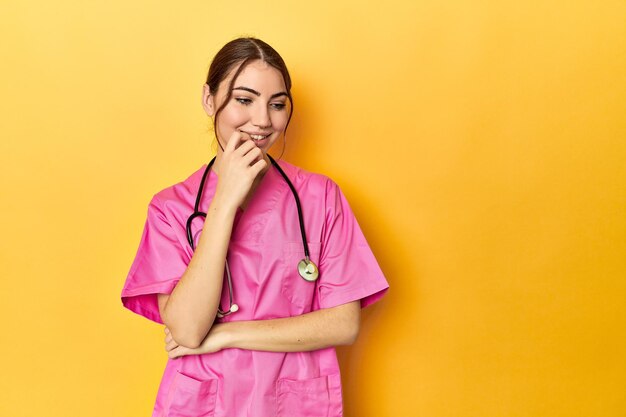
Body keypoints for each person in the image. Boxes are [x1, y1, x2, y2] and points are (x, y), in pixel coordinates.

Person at [120, 37, 389, 417]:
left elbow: (344, 323)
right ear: (209, 100)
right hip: (204, 402)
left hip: (293, 402)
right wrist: (225, 201)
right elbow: (186, 330)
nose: (263, 120)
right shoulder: (170, 208)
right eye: (244, 100)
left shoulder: (320, 197)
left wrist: (227, 335)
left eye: (277, 104)